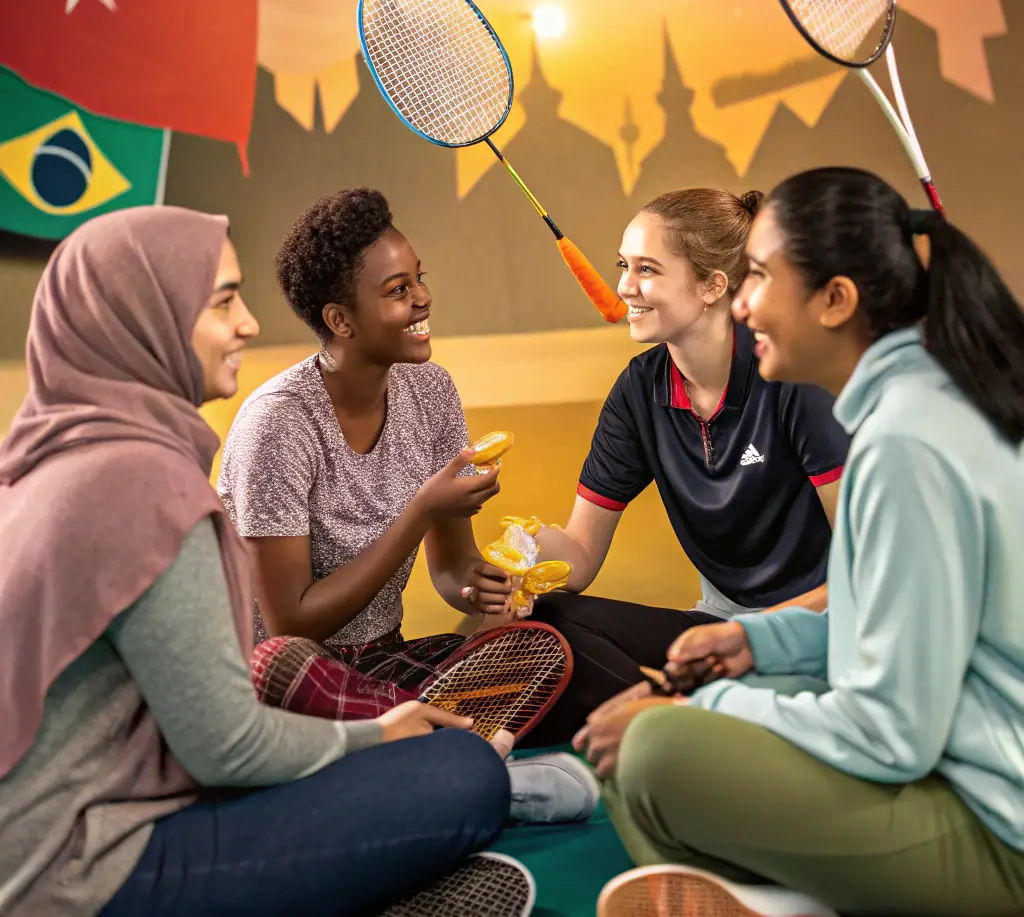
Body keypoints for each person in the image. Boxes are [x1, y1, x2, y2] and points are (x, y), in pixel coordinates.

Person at [0, 205, 531, 917]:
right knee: (466, 772)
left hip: (51, 838)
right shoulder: (147, 487)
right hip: (87, 867)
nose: (250, 324)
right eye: (223, 301)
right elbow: (228, 745)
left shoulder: (42, 460)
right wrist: (379, 735)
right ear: (147, 319)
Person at [583, 168, 1024, 917]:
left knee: (651, 750)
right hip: (953, 752)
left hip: (995, 820)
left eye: (758, 276)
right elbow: (886, 626)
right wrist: (756, 641)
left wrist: (712, 705)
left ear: (836, 300)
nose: (742, 302)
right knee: (652, 728)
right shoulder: (910, 406)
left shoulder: (904, 444)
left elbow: (893, 732)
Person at [216, 188, 596, 821]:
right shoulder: (276, 425)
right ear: (341, 320)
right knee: (284, 666)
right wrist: (418, 510)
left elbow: (451, 570)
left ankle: (424, 761)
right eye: (398, 290)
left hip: (382, 669)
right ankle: (473, 766)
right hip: (289, 684)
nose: (422, 298)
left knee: (543, 645)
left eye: (419, 279)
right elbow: (290, 625)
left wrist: (484, 589)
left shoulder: (431, 390)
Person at [486, 187, 850, 746]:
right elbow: (580, 555)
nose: (625, 287)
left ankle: (680, 721)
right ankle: (688, 719)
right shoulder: (639, 390)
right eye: (623, 266)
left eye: (647, 269)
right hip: (719, 626)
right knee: (549, 623)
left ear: (711, 286)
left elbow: (867, 569)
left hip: (820, 633)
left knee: (587, 695)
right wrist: (523, 555)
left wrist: (760, 638)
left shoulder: (791, 377)